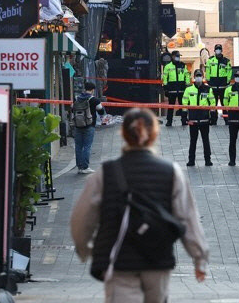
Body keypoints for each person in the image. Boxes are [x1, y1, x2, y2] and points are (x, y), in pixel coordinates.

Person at [70, 108, 209, 303]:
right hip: (158, 259)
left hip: (118, 260)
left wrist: (84, 249)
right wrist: (199, 258)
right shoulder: (172, 172)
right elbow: (188, 218)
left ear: (124, 134)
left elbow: (82, 217)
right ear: (154, 134)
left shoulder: (105, 173)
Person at [183, 69, 216, 167]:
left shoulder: (208, 89)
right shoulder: (188, 89)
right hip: (192, 119)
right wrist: (184, 117)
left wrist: (213, 116)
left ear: (203, 77)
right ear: (194, 77)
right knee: (193, 141)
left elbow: (212, 103)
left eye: (200, 75)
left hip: (204, 118)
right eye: (197, 75)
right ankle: (191, 160)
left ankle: (208, 160)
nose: (198, 77)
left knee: (206, 140)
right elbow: (185, 103)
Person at [72, 82, 105, 174]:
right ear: (93, 90)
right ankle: (85, 167)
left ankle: (79, 167)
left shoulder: (77, 98)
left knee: (78, 146)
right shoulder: (94, 99)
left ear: (84, 88)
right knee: (87, 146)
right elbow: (101, 111)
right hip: (89, 125)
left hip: (78, 125)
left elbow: (72, 109)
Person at [162, 50, 191, 126]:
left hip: (181, 88)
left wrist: (187, 85)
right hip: (171, 89)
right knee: (171, 106)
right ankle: (169, 121)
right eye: (177, 56)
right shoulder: (168, 66)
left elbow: (187, 75)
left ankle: (184, 120)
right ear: (173, 56)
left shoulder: (183, 65)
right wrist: (165, 88)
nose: (178, 58)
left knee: (183, 106)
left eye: (179, 56)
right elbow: (165, 77)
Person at [205, 44, 232, 125]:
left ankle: (226, 120)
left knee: (224, 103)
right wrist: (208, 81)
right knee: (213, 103)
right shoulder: (210, 60)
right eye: (217, 49)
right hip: (213, 85)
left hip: (223, 85)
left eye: (219, 49)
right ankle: (213, 120)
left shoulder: (226, 61)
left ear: (221, 50)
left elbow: (229, 72)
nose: (218, 50)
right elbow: (208, 71)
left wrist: (227, 81)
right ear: (214, 50)